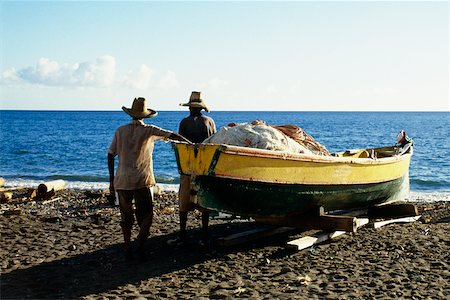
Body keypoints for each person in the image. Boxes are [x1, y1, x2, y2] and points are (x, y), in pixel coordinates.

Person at [108, 97, 189, 261]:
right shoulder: (149, 130)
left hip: (122, 180)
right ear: (145, 116)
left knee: (126, 218)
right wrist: (191, 143)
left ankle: (128, 249)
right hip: (142, 180)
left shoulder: (120, 131)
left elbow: (110, 155)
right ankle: (140, 246)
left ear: (131, 114)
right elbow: (172, 135)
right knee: (146, 216)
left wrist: (111, 181)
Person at [169, 91, 217, 246]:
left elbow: (181, 144)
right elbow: (213, 143)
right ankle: (204, 236)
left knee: (183, 203)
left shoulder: (184, 123)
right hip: (204, 167)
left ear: (190, 108)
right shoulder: (209, 122)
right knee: (204, 204)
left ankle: (183, 236)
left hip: (188, 167)